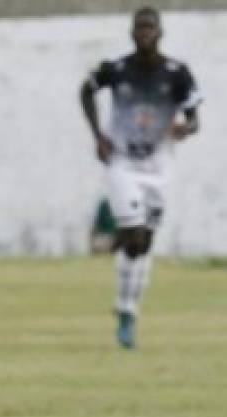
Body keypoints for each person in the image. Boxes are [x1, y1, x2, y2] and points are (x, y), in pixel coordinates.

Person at [80, 6, 202, 349]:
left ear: (160, 32)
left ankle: (127, 308)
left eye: (150, 27)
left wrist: (185, 127)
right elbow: (86, 90)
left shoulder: (177, 73)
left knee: (144, 243)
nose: (145, 33)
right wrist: (97, 135)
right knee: (133, 233)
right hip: (122, 162)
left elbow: (194, 119)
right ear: (132, 32)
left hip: (159, 167)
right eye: (140, 28)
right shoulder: (118, 69)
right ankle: (125, 309)